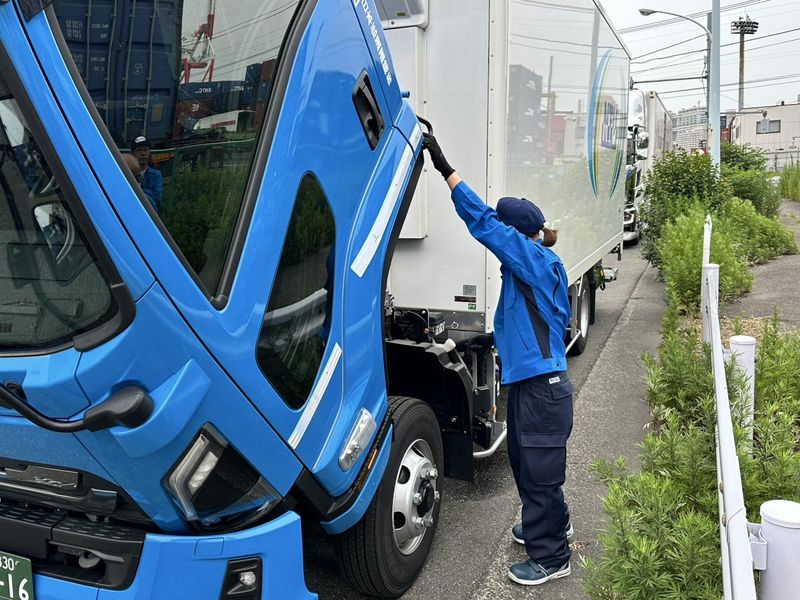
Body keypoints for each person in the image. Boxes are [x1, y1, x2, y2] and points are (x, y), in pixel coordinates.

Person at [423, 132, 574, 587]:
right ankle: (552, 524)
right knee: (525, 461)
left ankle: (552, 557)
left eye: (506, 234)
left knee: (538, 469)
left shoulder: (532, 260)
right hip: (536, 385)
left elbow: (483, 222)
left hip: (543, 389)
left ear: (517, 236)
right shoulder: (529, 268)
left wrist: (445, 169)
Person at [131, 135, 163, 212]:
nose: (143, 153)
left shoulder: (156, 175)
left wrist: (137, 192)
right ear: (133, 153)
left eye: (146, 150)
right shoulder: (127, 173)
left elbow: (157, 200)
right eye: (139, 150)